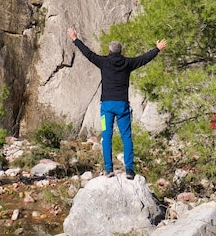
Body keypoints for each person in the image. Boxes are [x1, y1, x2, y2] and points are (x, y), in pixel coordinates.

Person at [67, 28, 167, 179]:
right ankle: (129, 170)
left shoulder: (103, 61)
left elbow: (88, 53)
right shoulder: (128, 63)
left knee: (106, 136)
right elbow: (144, 58)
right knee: (126, 136)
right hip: (122, 107)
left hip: (106, 107)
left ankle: (108, 169)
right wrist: (157, 49)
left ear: (109, 51)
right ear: (120, 52)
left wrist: (75, 39)